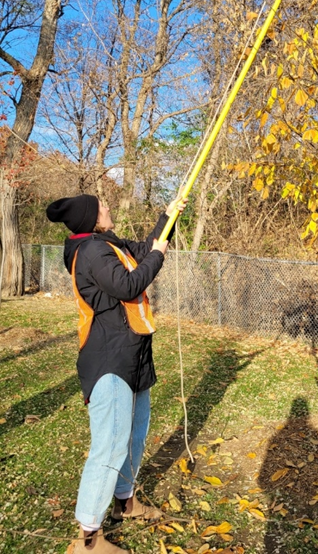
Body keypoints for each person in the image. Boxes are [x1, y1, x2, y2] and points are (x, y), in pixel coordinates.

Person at [46, 192, 187, 554]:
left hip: (133, 354)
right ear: (92, 219)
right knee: (109, 445)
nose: (108, 208)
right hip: (108, 361)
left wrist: (167, 218)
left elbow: (141, 251)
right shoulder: (91, 252)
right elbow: (128, 285)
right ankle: (88, 541)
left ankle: (126, 503)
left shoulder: (106, 244)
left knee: (134, 435)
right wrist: (159, 256)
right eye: (102, 206)